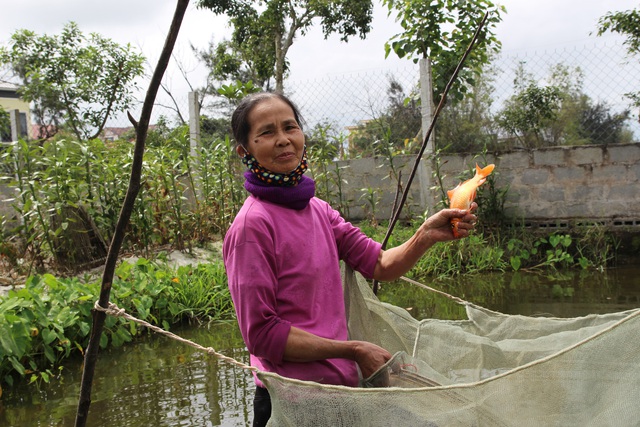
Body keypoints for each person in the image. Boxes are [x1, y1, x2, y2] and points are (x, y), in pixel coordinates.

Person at [222, 92, 477, 427]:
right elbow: (263, 335)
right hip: (293, 402)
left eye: (290, 127)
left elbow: (381, 265)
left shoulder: (318, 210)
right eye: (267, 133)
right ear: (246, 150)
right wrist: (353, 350)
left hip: (343, 392)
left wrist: (425, 234)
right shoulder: (252, 227)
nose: (284, 140)